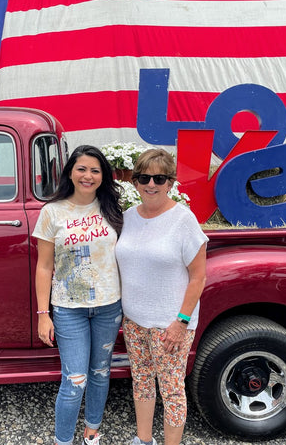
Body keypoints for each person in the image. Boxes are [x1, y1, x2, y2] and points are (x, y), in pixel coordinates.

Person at [115, 149, 208, 445]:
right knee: (142, 383)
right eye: (143, 177)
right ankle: (143, 439)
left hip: (169, 326)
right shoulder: (128, 217)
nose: (150, 184)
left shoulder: (183, 220)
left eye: (159, 178)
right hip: (134, 322)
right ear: (135, 181)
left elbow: (198, 277)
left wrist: (181, 322)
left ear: (170, 182)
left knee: (171, 390)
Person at [33, 145, 124, 445]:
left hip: (109, 307)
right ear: (70, 172)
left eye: (95, 170)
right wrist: (42, 314)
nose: (88, 175)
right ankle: (63, 441)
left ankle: (92, 433)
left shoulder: (112, 209)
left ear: (103, 176)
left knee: (100, 373)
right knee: (74, 382)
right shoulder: (52, 212)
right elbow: (44, 267)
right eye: (81, 169)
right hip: (68, 310)